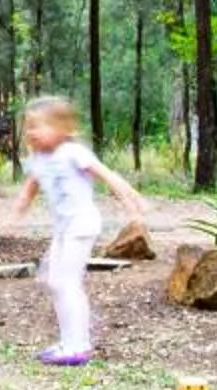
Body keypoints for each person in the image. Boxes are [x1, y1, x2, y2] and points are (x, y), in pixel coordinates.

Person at [10, 93, 149, 367]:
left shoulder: (74, 153)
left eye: (39, 126)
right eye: (29, 127)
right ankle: (68, 341)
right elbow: (29, 190)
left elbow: (108, 177)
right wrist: (15, 214)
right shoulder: (38, 159)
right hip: (63, 230)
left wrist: (132, 202)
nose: (32, 132)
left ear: (63, 129)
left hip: (82, 225)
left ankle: (78, 345)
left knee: (67, 283)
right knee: (55, 281)